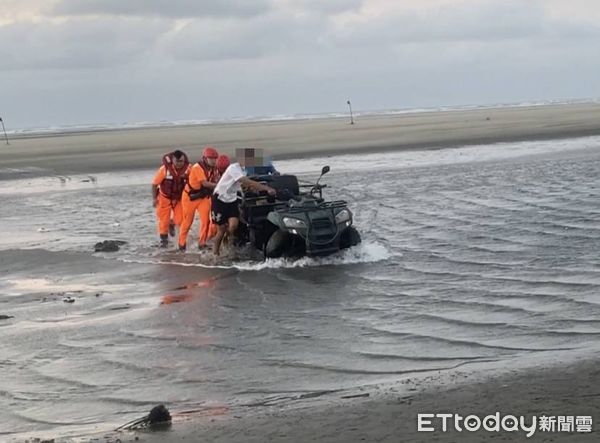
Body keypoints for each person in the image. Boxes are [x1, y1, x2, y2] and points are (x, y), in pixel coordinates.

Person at [211, 154, 276, 256]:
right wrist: (266, 188)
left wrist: (255, 190)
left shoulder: (244, 171)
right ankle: (215, 253)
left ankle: (227, 242)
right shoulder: (233, 168)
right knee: (221, 228)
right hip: (220, 199)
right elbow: (246, 181)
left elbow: (244, 185)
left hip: (232, 199)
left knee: (233, 225)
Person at [178, 146, 220, 250]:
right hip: (190, 197)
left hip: (202, 197)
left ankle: (202, 243)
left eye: (215, 158)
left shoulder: (214, 168)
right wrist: (220, 185)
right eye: (212, 159)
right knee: (187, 222)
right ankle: (181, 244)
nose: (214, 161)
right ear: (205, 158)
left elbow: (214, 180)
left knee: (206, 221)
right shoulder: (197, 168)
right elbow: (205, 183)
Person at [151, 150, 190, 247]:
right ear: (173, 160)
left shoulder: (189, 169)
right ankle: (163, 241)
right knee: (163, 221)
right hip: (164, 198)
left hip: (179, 199)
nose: (180, 164)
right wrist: (154, 198)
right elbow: (154, 184)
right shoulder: (164, 169)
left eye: (181, 161)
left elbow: (193, 181)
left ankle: (171, 224)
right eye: (177, 161)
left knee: (180, 220)